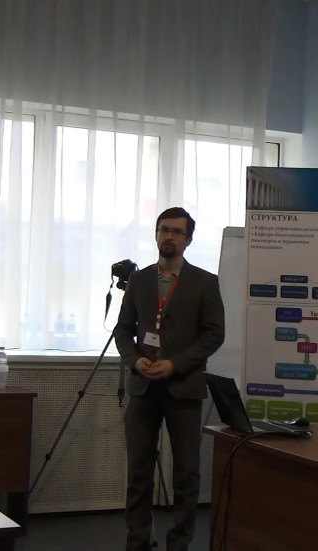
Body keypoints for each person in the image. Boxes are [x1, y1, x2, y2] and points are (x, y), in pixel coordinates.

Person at [114, 207, 225, 551]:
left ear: (188, 240)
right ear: (156, 235)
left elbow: (214, 335)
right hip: (144, 388)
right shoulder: (140, 281)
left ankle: (179, 543)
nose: (169, 236)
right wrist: (135, 361)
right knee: (139, 473)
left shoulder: (205, 282)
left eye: (177, 231)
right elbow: (123, 331)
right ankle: (137, 541)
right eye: (164, 230)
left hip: (184, 387)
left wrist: (175, 364)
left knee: (186, 474)